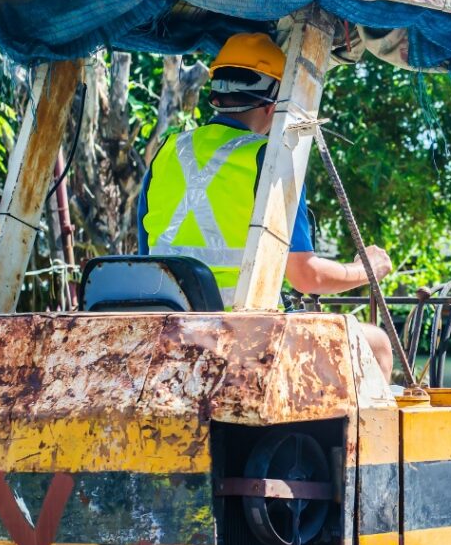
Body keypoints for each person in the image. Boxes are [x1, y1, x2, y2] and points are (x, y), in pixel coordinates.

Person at [137, 32, 394, 379]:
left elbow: (145, 255)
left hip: (169, 330)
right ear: (274, 105)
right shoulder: (270, 160)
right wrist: (368, 269)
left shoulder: (166, 151)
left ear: (215, 97)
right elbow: (306, 276)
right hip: (242, 336)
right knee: (376, 341)